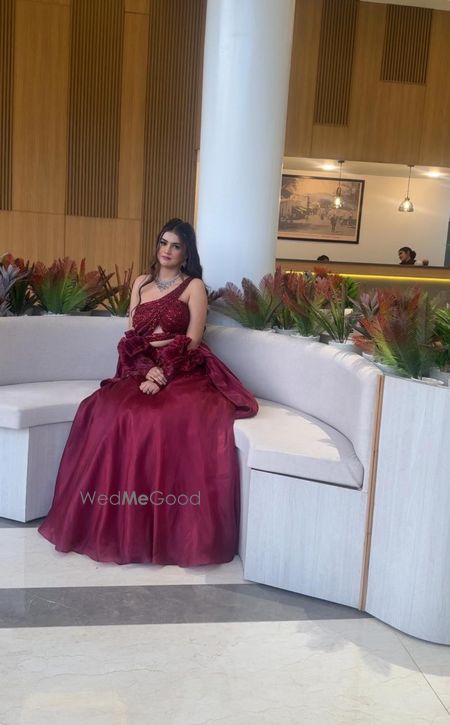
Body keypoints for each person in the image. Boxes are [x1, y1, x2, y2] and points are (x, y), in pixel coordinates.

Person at [38, 218, 258, 567]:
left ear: (186, 253)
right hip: (138, 365)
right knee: (104, 407)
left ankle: (161, 525)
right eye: (163, 243)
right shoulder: (141, 283)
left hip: (183, 366)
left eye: (176, 246)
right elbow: (131, 336)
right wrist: (144, 368)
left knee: (157, 415)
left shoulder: (193, 286)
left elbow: (193, 339)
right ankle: (110, 521)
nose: (167, 250)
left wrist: (163, 373)